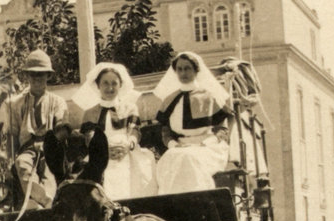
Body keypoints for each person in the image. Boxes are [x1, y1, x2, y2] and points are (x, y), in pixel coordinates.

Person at [0, 49, 70, 209]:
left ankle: (46, 202)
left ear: (48, 76)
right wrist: (10, 161)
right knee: (22, 165)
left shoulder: (57, 102)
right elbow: (13, 134)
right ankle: (40, 201)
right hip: (27, 149)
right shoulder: (16, 103)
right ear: (27, 76)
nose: (37, 78)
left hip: (51, 147)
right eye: (33, 74)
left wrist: (51, 143)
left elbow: (63, 127)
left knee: (49, 172)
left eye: (41, 74)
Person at [152, 51, 234, 194]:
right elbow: (165, 130)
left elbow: (222, 129)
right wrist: (173, 144)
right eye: (180, 69)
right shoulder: (170, 99)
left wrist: (208, 142)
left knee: (189, 157)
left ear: (196, 70)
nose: (183, 73)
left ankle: (199, 200)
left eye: (187, 68)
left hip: (209, 147)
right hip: (179, 146)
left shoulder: (209, 96)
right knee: (168, 160)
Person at [72, 62, 157, 199]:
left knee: (140, 170)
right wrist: (104, 150)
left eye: (114, 83)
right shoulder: (90, 112)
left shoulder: (129, 108)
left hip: (127, 150)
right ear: (98, 85)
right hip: (100, 153)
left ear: (120, 85)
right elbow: (90, 137)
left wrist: (128, 145)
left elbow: (134, 131)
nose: (110, 88)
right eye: (105, 83)